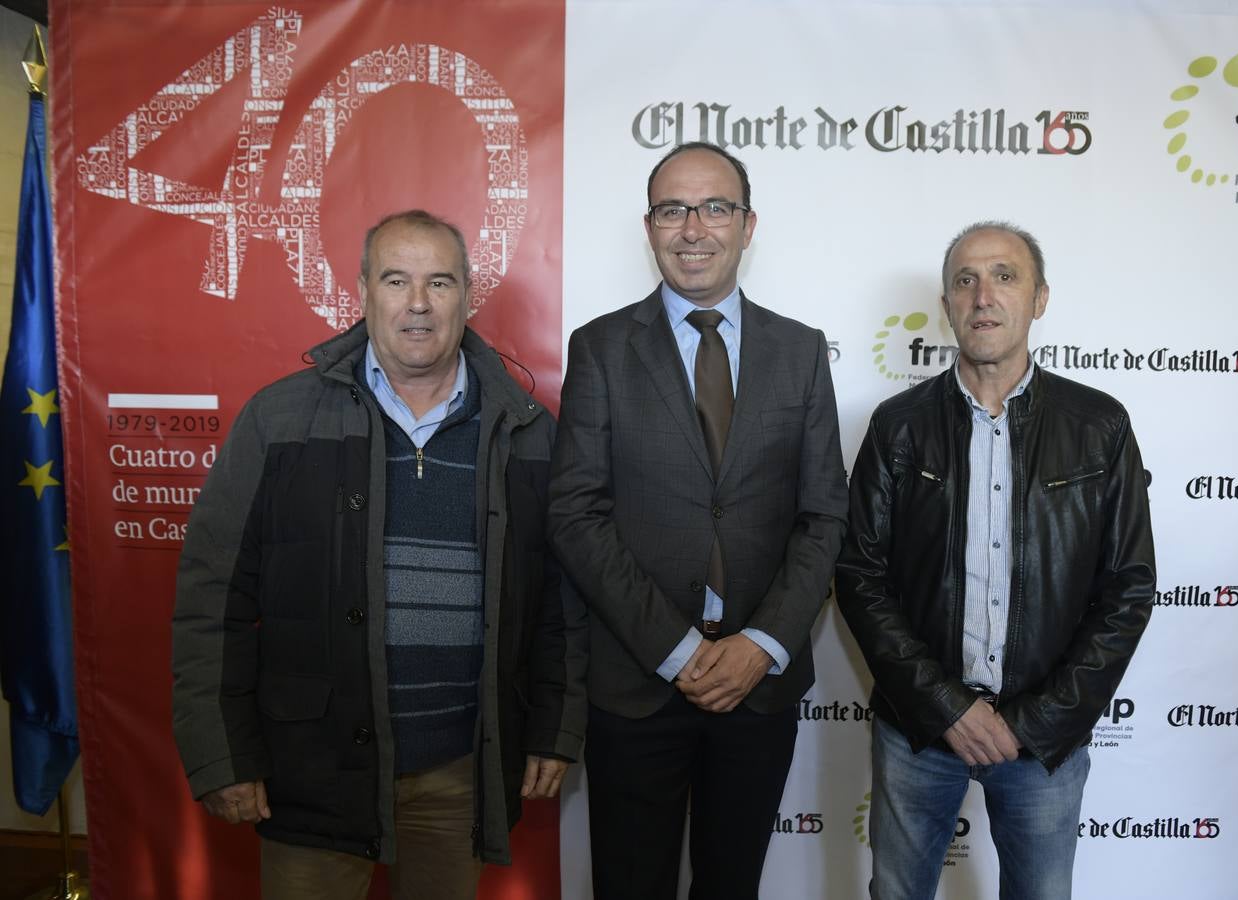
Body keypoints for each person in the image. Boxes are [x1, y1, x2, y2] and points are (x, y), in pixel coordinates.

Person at [171, 209, 585, 900]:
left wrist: (555, 728)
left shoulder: (528, 432)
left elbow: (559, 607)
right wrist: (221, 754)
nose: (418, 304)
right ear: (362, 291)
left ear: (467, 295)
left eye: (439, 283)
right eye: (397, 280)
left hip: (460, 772)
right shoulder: (279, 420)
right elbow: (212, 598)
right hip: (312, 771)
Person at [548, 142, 849, 899]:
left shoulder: (801, 352)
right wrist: (677, 649)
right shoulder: (600, 349)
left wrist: (763, 643)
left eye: (715, 207)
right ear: (648, 227)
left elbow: (823, 516)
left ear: (748, 225)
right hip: (639, 682)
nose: (694, 228)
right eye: (673, 209)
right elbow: (576, 513)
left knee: (732, 885)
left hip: (759, 689)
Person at [835, 222, 1155, 900]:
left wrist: (1034, 722)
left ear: (1040, 298)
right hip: (919, 732)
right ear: (948, 304)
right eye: (965, 280)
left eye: (1005, 276)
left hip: (1043, 742)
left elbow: (1128, 587)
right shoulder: (897, 426)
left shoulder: (1100, 426)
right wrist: (945, 707)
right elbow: (860, 575)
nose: (983, 295)